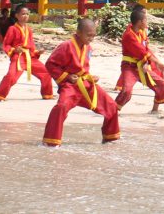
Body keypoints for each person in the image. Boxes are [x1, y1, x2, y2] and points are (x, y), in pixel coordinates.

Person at [43, 18, 120, 146]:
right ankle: (51, 142)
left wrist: (90, 77)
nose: (91, 38)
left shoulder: (88, 48)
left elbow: (83, 69)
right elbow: (50, 64)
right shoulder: (66, 46)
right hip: (70, 86)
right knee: (61, 107)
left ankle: (110, 138)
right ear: (78, 32)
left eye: (93, 35)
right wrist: (67, 77)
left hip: (86, 84)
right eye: (88, 35)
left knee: (111, 105)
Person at [0, 4, 54, 101]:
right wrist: (14, 50)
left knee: (46, 72)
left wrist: (37, 52)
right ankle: (0, 95)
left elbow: (31, 45)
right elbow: (6, 44)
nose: (26, 16)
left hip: (29, 56)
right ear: (17, 15)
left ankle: (47, 94)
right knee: (11, 76)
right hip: (18, 57)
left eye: (27, 14)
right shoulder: (12, 29)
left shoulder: (28, 29)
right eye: (23, 14)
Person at [114, 7, 164, 113]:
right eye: (145, 20)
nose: (147, 22)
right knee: (126, 91)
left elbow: (146, 49)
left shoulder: (141, 32)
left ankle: (154, 110)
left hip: (141, 65)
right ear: (140, 22)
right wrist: (157, 62)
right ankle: (112, 111)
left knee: (162, 84)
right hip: (129, 67)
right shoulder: (129, 35)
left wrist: (147, 62)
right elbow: (142, 52)